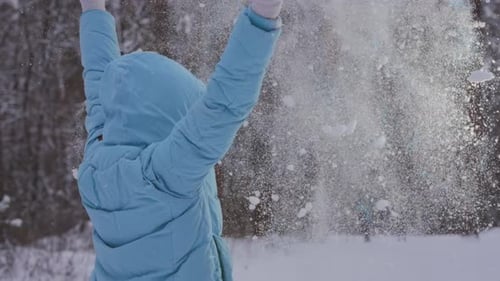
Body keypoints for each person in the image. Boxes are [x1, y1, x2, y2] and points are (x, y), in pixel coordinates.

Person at [76, 0, 282, 280]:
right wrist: (261, 19)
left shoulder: (96, 167)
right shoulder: (167, 175)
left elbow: (99, 87)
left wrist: (94, 13)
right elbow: (224, 105)